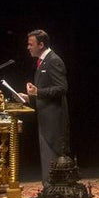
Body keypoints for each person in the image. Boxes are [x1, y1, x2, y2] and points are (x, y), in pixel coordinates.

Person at [17, 29, 70, 184]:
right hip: (45, 117)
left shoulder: (53, 60)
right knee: (47, 158)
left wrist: (38, 92)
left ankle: (55, 191)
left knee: (53, 157)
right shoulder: (42, 61)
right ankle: (49, 191)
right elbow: (45, 91)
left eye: (30, 44)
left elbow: (62, 88)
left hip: (54, 120)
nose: (28, 47)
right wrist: (29, 97)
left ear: (41, 45)